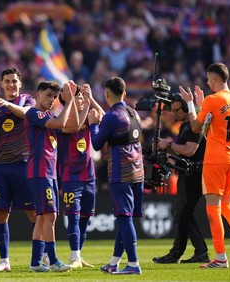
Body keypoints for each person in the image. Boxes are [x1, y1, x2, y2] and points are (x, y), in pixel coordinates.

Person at [179, 62, 230, 269]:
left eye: (208, 78)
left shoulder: (213, 100)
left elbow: (195, 127)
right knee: (227, 206)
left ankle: (221, 257)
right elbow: (217, 121)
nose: (207, 82)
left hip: (216, 158)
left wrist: (192, 104)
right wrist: (204, 106)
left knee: (213, 209)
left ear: (214, 79)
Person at [0, 67, 36, 272]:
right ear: (2, 84)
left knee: (33, 213)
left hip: (22, 164)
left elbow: (27, 115)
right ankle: (4, 260)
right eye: (7, 81)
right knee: (0, 214)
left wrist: (6, 104)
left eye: (14, 81)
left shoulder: (27, 100)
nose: (11, 84)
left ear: (20, 83)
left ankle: (45, 255)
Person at [89, 77, 144, 275]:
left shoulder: (112, 116)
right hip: (138, 171)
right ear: (125, 92)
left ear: (107, 94)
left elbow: (96, 143)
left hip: (121, 172)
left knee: (123, 217)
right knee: (125, 218)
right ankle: (114, 262)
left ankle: (134, 264)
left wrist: (93, 124)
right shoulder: (133, 113)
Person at [24, 81, 78, 272]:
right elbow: (61, 123)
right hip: (40, 171)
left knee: (42, 217)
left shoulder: (48, 115)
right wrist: (69, 101)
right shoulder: (33, 113)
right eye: (48, 95)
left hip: (49, 172)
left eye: (54, 97)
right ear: (38, 94)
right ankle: (53, 260)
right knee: (50, 215)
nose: (51, 100)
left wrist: (82, 103)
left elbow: (74, 126)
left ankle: (35, 263)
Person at [152, 94, 209, 264]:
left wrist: (168, 145)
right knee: (183, 214)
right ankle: (183, 252)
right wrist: (165, 148)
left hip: (195, 174)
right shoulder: (185, 126)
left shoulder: (194, 126)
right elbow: (181, 150)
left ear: (186, 108)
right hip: (186, 173)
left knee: (182, 213)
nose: (175, 113)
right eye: (173, 110)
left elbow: (190, 150)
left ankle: (194, 252)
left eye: (178, 110)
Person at [57, 84, 105, 268]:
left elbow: (105, 117)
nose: (81, 99)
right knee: (74, 217)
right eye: (78, 97)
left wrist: (91, 99)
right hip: (71, 176)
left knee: (85, 217)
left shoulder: (87, 115)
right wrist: (85, 105)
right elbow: (74, 126)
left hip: (89, 175)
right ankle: (74, 255)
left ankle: (77, 255)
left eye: (81, 97)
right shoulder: (63, 118)